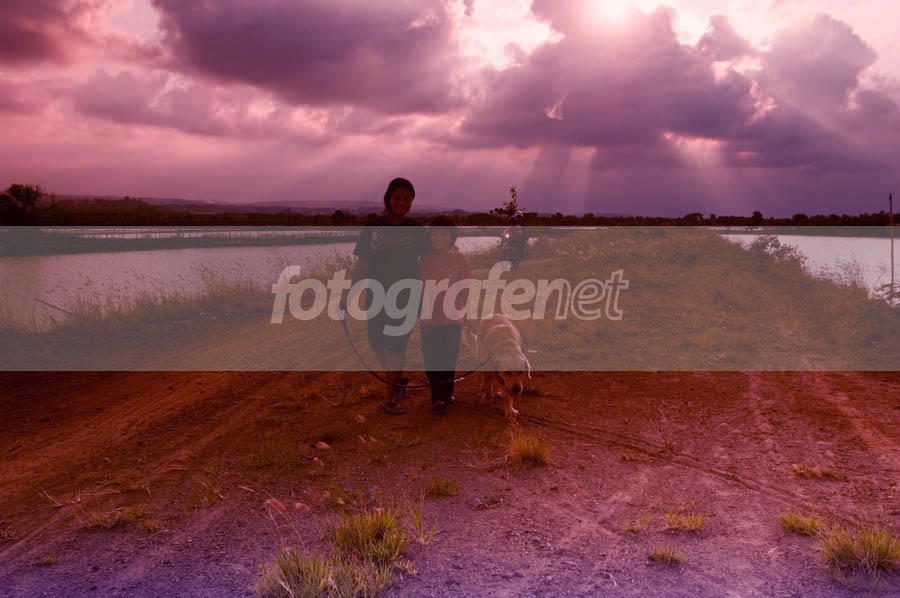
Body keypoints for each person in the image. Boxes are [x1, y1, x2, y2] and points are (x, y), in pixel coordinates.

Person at [340, 178, 430, 415]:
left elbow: (428, 265)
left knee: (395, 347)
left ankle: (390, 398)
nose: (402, 203)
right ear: (388, 198)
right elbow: (362, 266)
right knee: (376, 344)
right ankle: (396, 380)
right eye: (398, 197)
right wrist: (347, 296)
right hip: (377, 294)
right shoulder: (372, 228)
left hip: (407, 296)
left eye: (407, 199)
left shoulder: (417, 231)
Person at [418, 215, 473, 412]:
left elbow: (465, 288)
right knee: (431, 358)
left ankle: (446, 393)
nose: (439, 238)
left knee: (449, 357)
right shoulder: (424, 260)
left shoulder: (459, 259)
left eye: (444, 234)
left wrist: (468, 313)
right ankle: (438, 395)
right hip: (430, 320)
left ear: (452, 237)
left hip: (453, 320)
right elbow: (423, 288)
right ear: (430, 236)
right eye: (435, 234)